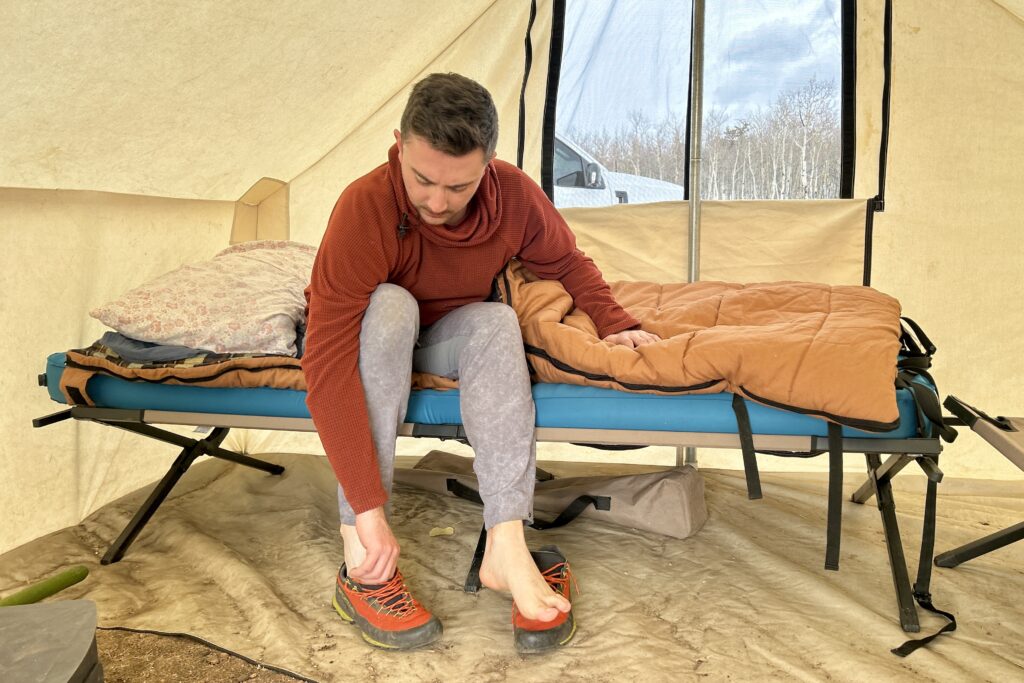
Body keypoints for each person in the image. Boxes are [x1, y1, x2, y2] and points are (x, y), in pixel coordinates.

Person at [302, 72, 660, 652]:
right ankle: (360, 553)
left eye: (459, 187)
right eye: (421, 180)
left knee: (496, 319)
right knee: (391, 307)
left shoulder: (514, 195)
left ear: (489, 165)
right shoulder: (363, 207)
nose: (437, 203)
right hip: (376, 330)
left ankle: (507, 543)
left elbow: (567, 262)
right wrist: (367, 509)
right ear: (398, 143)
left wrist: (616, 322)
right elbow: (326, 366)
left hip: (445, 330)